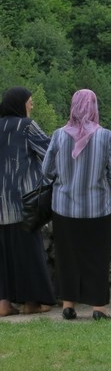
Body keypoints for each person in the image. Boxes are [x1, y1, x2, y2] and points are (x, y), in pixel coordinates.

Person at [43, 89, 111, 321]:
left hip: (64, 207)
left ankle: (68, 305)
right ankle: (98, 308)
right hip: (97, 208)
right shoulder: (106, 136)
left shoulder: (58, 135)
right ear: (94, 107)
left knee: (67, 257)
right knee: (96, 257)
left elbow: (47, 171)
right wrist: (97, 182)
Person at [0, 87, 56, 317]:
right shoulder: (26, 126)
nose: (31, 106)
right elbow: (49, 152)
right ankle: (31, 302)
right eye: (29, 102)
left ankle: (3, 303)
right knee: (29, 252)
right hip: (23, 201)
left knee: (3, 255)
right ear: (20, 104)